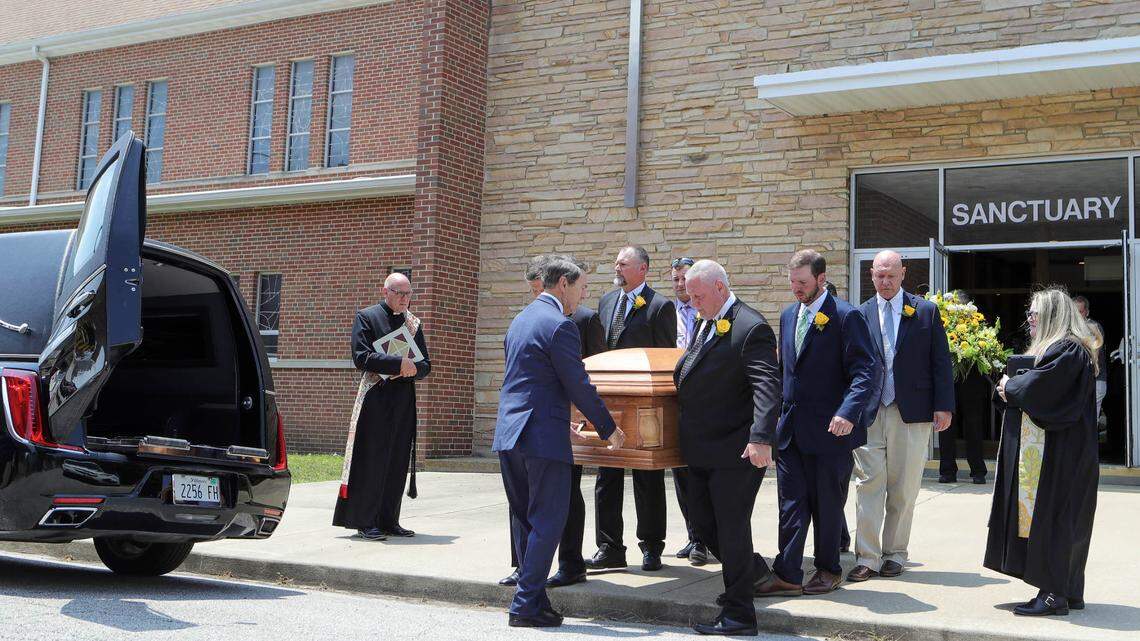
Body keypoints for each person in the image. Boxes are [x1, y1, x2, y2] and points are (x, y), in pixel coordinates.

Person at [493, 257, 626, 628]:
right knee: (549, 520)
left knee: (527, 521)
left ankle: (535, 599)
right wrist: (607, 427)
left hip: (510, 433)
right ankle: (525, 605)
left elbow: (528, 382)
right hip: (541, 438)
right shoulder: (561, 325)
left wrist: (561, 422)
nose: (583, 296)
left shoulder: (520, 320)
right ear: (563, 283)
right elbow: (577, 383)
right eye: (582, 288)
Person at [757, 249, 877, 597]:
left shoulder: (846, 316)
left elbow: (865, 371)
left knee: (827, 504)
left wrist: (848, 412)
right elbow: (785, 371)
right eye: (792, 282)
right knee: (791, 503)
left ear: (821, 279)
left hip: (830, 430)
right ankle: (787, 572)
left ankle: (828, 569)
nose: (796, 288)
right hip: (791, 430)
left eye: (802, 282)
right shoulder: (788, 315)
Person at [674, 260, 782, 636]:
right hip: (702, 449)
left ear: (720, 288)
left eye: (698, 296)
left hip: (735, 450)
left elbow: (767, 386)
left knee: (731, 529)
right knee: (703, 525)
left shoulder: (751, 327)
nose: (693, 303)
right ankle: (753, 574)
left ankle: (739, 614)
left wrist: (761, 437)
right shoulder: (707, 321)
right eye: (690, 297)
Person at [987, 287, 1100, 617]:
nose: (1030, 320)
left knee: (1057, 519)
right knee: (1066, 519)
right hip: (1068, 452)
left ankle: (1053, 595)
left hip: (1063, 455)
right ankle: (1068, 590)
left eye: (1035, 314)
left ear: (1052, 315)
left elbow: (1042, 390)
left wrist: (1009, 386)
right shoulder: (1067, 349)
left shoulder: (1068, 349)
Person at [848, 251, 954, 583]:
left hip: (912, 412)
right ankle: (867, 557)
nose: (885, 282)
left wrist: (943, 406)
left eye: (891, 275)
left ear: (903, 273)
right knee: (868, 485)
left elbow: (940, 360)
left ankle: (894, 553)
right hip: (870, 412)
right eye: (880, 276)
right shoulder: (860, 313)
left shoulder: (925, 311)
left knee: (904, 488)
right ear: (871, 275)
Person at [587, 246, 677, 573]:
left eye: (623, 264)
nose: (617, 268)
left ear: (643, 269)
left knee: (647, 477)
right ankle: (609, 547)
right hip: (609, 402)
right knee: (606, 475)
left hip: (644, 406)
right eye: (616, 263)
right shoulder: (607, 302)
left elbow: (666, 358)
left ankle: (651, 546)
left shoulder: (660, 306)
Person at [333, 272, 430, 540]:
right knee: (372, 459)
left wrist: (414, 369)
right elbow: (361, 356)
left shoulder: (413, 323)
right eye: (399, 293)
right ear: (385, 292)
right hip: (375, 399)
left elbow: (425, 364)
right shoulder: (367, 317)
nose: (404, 298)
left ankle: (389, 520)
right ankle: (365, 521)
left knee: (397, 459)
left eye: (408, 294)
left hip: (403, 399)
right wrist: (399, 363)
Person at [669, 256, 708, 567]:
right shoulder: (665, 313)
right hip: (675, 400)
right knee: (681, 474)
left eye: (685, 279)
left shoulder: (709, 312)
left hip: (706, 402)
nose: (681, 285)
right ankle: (695, 536)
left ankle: (706, 538)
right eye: (676, 280)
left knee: (702, 475)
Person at [938, 289, 989, 484]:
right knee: (946, 425)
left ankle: (978, 471)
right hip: (948, 381)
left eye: (960, 305)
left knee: (974, 425)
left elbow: (985, 347)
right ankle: (947, 470)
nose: (957, 309)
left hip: (971, 381)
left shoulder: (977, 325)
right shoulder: (942, 323)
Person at [1072, 295, 1108, 424]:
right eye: (1074, 312)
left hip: (1095, 381)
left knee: (1089, 422)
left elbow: (1091, 354)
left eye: (1080, 312)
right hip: (1081, 383)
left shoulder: (1094, 328)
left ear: (1087, 312)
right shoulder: (1071, 329)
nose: (1077, 316)